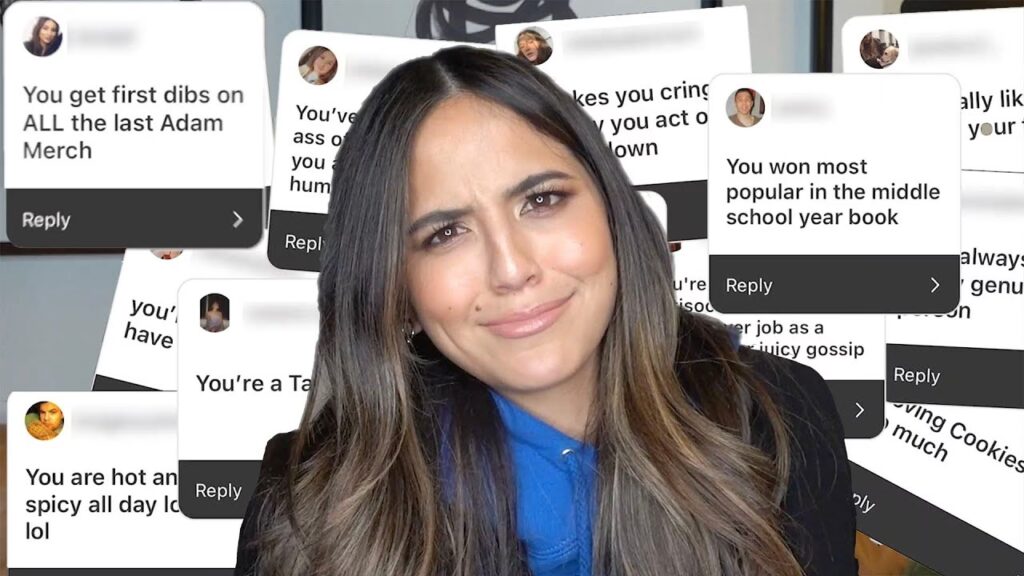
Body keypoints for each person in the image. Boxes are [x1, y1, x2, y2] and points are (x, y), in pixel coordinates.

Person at [236, 46, 856, 576]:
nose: (511, 269)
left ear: (612, 208)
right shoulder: (308, 505)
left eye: (541, 200)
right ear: (396, 290)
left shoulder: (775, 417)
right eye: (445, 234)